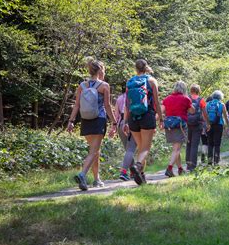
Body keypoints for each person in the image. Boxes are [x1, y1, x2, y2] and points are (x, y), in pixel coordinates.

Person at [67, 57, 117, 191]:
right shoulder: (104, 86)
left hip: (85, 120)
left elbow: (76, 105)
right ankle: (82, 175)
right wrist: (114, 122)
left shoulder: (82, 86)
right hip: (98, 120)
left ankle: (96, 179)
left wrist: (71, 121)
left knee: (95, 151)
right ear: (100, 70)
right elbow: (107, 106)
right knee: (94, 151)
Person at [123, 59, 163, 185]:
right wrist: (161, 118)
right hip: (147, 116)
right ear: (146, 67)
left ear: (136, 69)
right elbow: (156, 102)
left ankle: (141, 177)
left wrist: (125, 122)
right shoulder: (151, 81)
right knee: (146, 148)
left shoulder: (130, 82)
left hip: (133, 118)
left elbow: (127, 104)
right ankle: (138, 165)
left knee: (141, 148)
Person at [162, 81, 195, 177]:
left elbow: (162, 110)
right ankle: (169, 168)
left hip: (169, 125)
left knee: (176, 149)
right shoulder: (186, 99)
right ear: (184, 89)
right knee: (176, 149)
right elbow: (192, 111)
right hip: (180, 125)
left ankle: (180, 169)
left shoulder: (167, 98)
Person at [114, 85, 137, 181]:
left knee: (128, 149)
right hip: (131, 122)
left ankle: (132, 172)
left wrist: (114, 127)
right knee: (131, 149)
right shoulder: (134, 96)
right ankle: (123, 172)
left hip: (120, 124)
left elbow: (116, 114)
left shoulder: (119, 98)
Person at [185, 84, 208, 171]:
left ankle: (188, 164)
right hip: (198, 124)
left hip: (187, 124)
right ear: (198, 90)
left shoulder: (187, 99)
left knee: (189, 144)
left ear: (191, 90)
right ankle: (192, 165)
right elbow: (204, 113)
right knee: (194, 145)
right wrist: (207, 123)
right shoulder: (201, 100)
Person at [206, 90, 229, 165]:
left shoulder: (208, 104)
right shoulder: (221, 104)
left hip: (209, 125)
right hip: (218, 125)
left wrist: (207, 125)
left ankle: (209, 161)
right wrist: (228, 125)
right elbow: (225, 116)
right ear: (220, 97)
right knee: (217, 144)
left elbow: (205, 115)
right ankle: (216, 161)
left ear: (213, 96)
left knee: (210, 144)